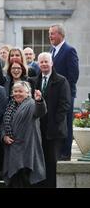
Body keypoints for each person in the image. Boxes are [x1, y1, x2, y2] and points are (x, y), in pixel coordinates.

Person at [29, 52, 71, 187]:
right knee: (38, 162)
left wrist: (56, 122)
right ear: (38, 64)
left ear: (52, 63)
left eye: (46, 61)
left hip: (54, 130)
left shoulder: (61, 80)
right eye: (41, 62)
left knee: (51, 163)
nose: (44, 64)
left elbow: (65, 104)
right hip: (38, 129)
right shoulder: (34, 81)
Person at [2, 81, 47, 187]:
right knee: (14, 180)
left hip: (26, 148)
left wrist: (39, 100)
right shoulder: (10, 105)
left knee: (24, 179)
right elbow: (3, 124)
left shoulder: (31, 103)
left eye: (20, 91)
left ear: (27, 93)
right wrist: (4, 136)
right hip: (12, 148)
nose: (17, 93)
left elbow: (40, 112)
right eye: (15, 91)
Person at [49, 24, 79, 161]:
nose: (50, 36)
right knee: (56, 121)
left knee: (66, 122)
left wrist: (64, 90)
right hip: (53, 95)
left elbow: (74, 75)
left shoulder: (69, 50)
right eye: (50, 33)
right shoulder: (51, 51)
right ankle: (57, 151)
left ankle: (66, 153)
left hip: (66, 94)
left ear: (61, 35)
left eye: (52, 33)